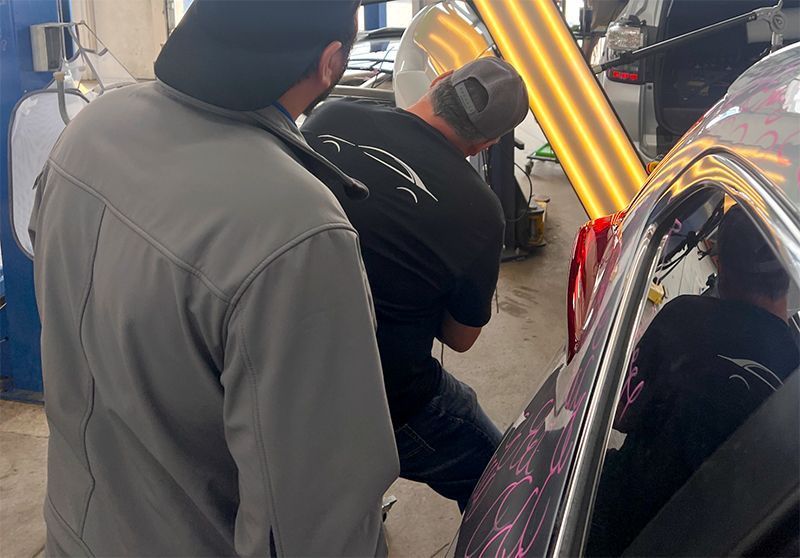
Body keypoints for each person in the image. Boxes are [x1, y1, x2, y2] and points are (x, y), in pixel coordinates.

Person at [29, 1, 399, 556]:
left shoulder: (92, 125)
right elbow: (313, 521)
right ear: (330, 63)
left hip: (74, 528)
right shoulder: (297, 229)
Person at [302, 58, 529, 511]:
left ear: (439, 81)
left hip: (278, 363)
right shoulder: (481, 213)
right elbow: (460, 338)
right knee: (506, 486)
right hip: (383, 400)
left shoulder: (331, 116)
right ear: (488, 142)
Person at [587, 205, 800, 556]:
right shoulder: (792, 370)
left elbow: (622, 416)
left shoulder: (680, 314)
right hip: (724, 537)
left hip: (620, 518)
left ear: (718, 260)